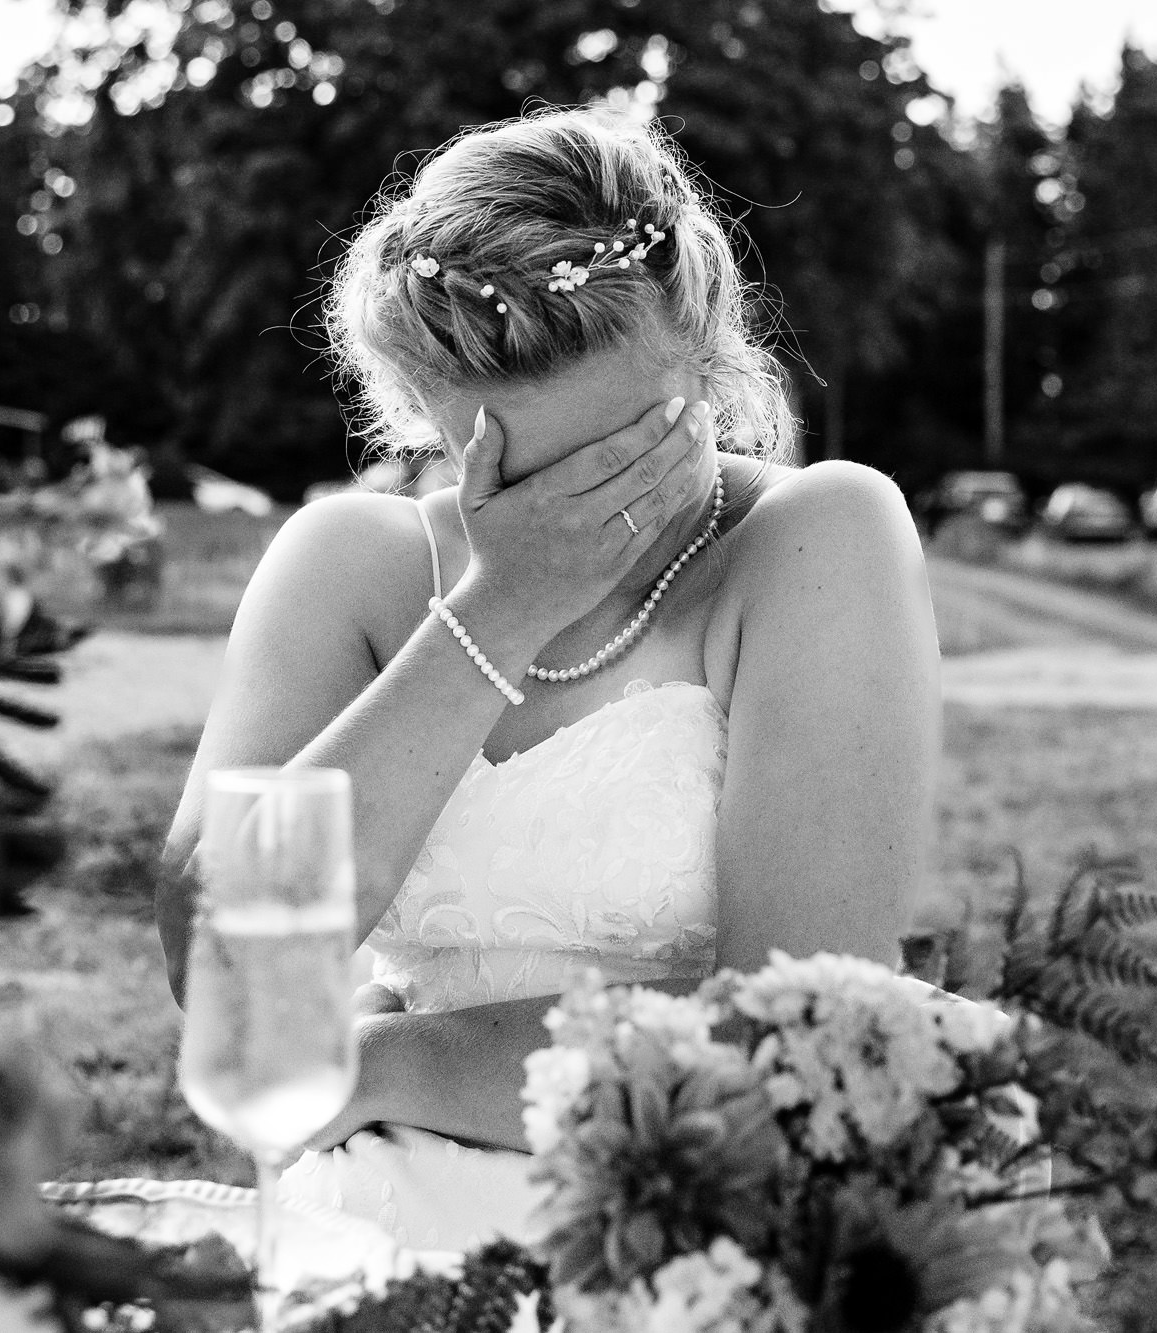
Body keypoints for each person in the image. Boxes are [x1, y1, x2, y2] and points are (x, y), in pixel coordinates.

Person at [157, 107, 939, 1251]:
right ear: (421, 412)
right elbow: (229, 977)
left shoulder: (819, 539)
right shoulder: (343, 568)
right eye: (528, 467)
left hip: (696, 1233)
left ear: (708, 360)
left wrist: (385, 1060)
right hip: (375, 1232)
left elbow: (799, 1031)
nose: (596, 507)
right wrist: (497, 609)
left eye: (635, 440)